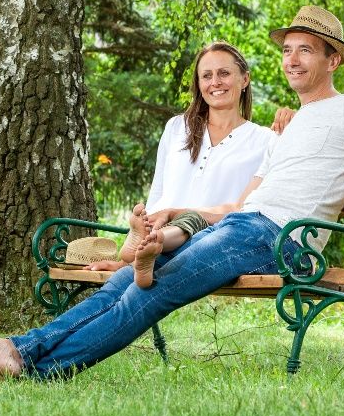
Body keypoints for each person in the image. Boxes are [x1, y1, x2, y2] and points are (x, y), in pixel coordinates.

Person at [0, 5, 344, 380]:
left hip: (284, 241)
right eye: (288, 50)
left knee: (153, 289)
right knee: (125, 283)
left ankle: (32, 366)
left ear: (333, 60)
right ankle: (20, 349)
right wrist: (183, 211)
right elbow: (243, 204)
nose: (292, 59)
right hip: (244, 226)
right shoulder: (288, 128)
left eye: (305, 50)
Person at [87, 42, 278, 287]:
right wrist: (139, 240)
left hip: (210, 239)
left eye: (224, 73)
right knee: (122, 287)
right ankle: (141, 251)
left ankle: (142, 255)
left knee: (130, 283)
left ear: (245, 79)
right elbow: (158, 192)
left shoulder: (265, 140)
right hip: (161, 237)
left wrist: (290, 117)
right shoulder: (178, 127)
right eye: (206, 76)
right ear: (198, 84)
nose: (215, 82)